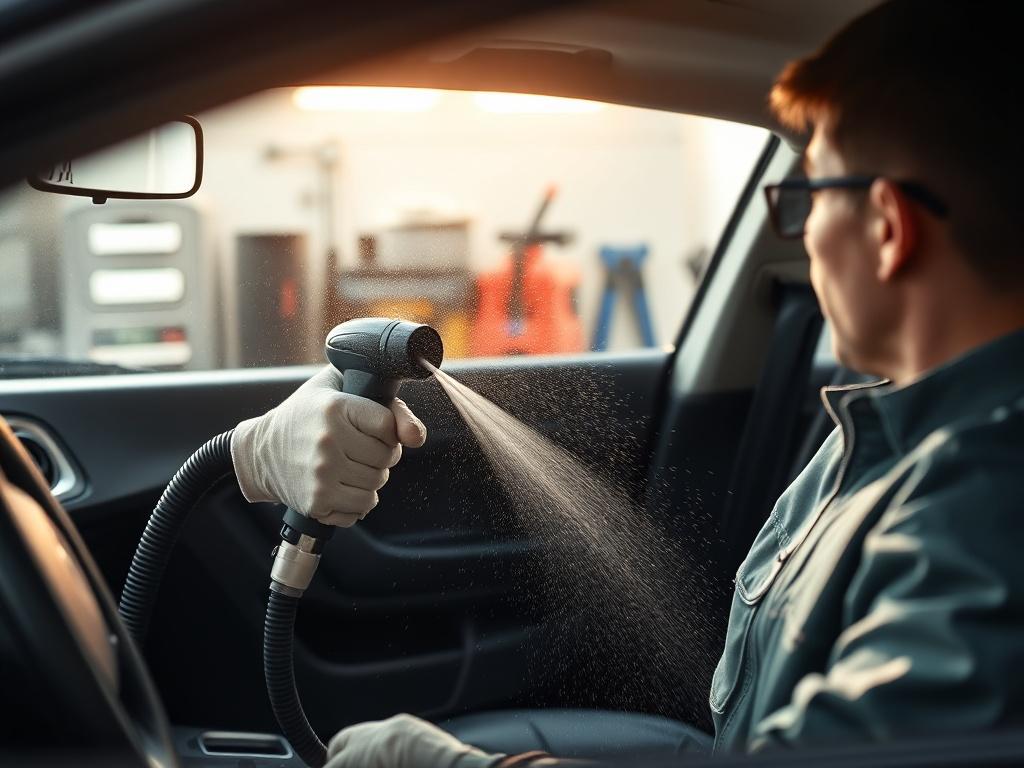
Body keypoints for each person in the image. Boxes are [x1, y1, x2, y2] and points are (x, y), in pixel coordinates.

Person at [230, 0, 1024, 764]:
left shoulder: (987, 506)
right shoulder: (892, 434)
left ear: (886, 229)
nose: (807, 233)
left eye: (811, 194)